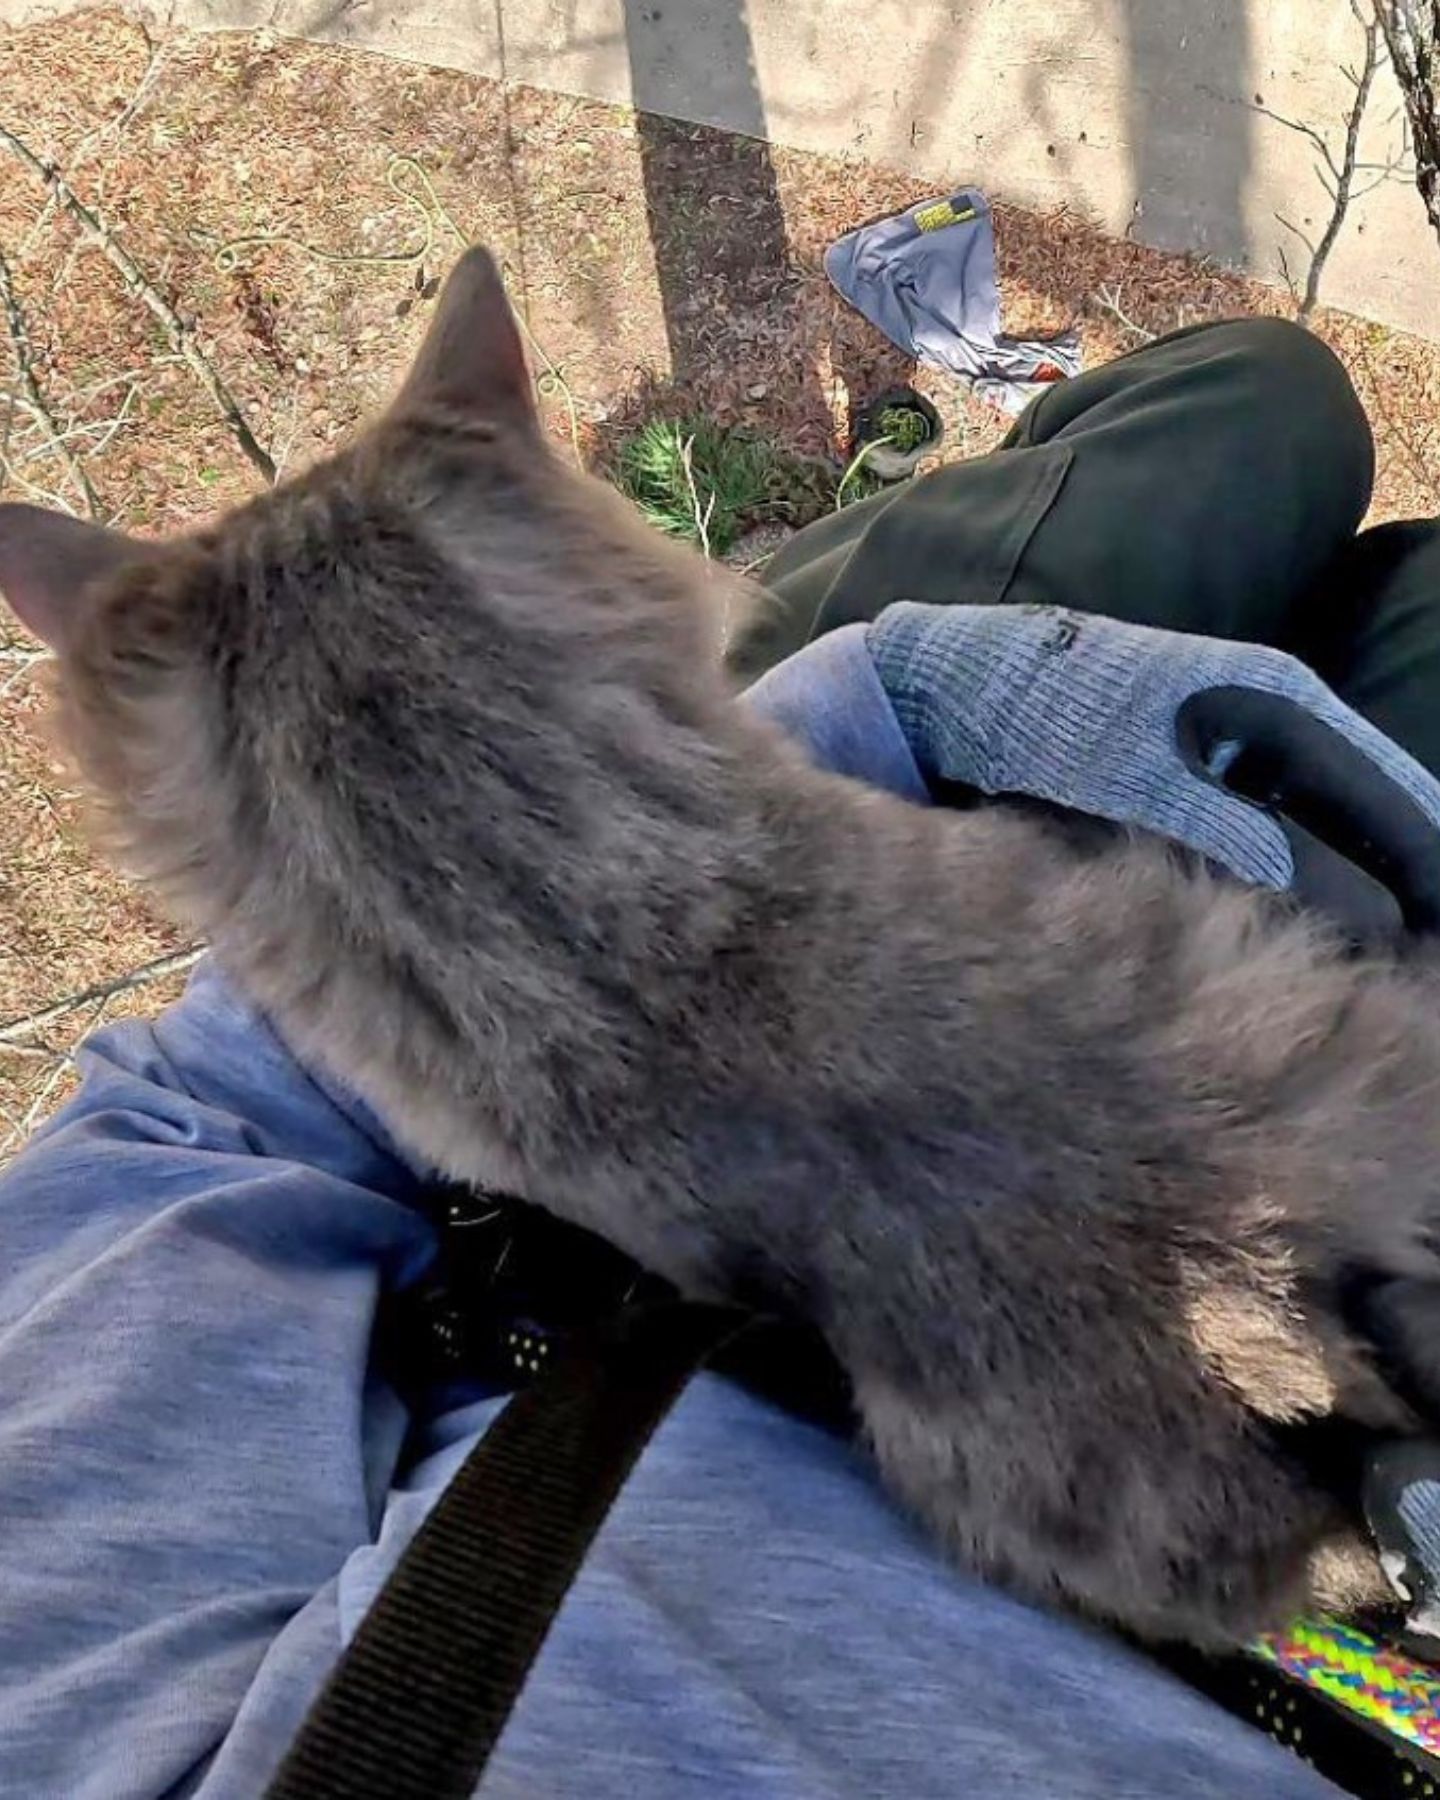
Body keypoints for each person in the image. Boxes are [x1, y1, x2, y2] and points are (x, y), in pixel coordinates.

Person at [2, 318, 1438, 1800]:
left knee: (1262, 409)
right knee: (1404, 581)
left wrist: (900, 704)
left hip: (784, 839)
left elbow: (198, 1135)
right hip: (1318, 1584)